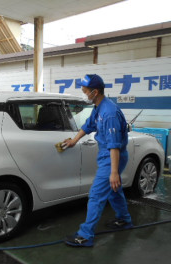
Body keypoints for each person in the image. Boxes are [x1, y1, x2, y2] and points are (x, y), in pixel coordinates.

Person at [64, 74, 132, 247]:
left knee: (96, 195)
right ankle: (124, 219)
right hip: (106, 155)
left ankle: (85, 235)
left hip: (112, 157)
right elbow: (88, 125)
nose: (84, 94)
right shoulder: (98, 107)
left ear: (95, 92)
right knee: (114, 191)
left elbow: (114, 145)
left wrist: (114, 172)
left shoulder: (109, 113)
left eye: (86, 91)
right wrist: (74, 140)